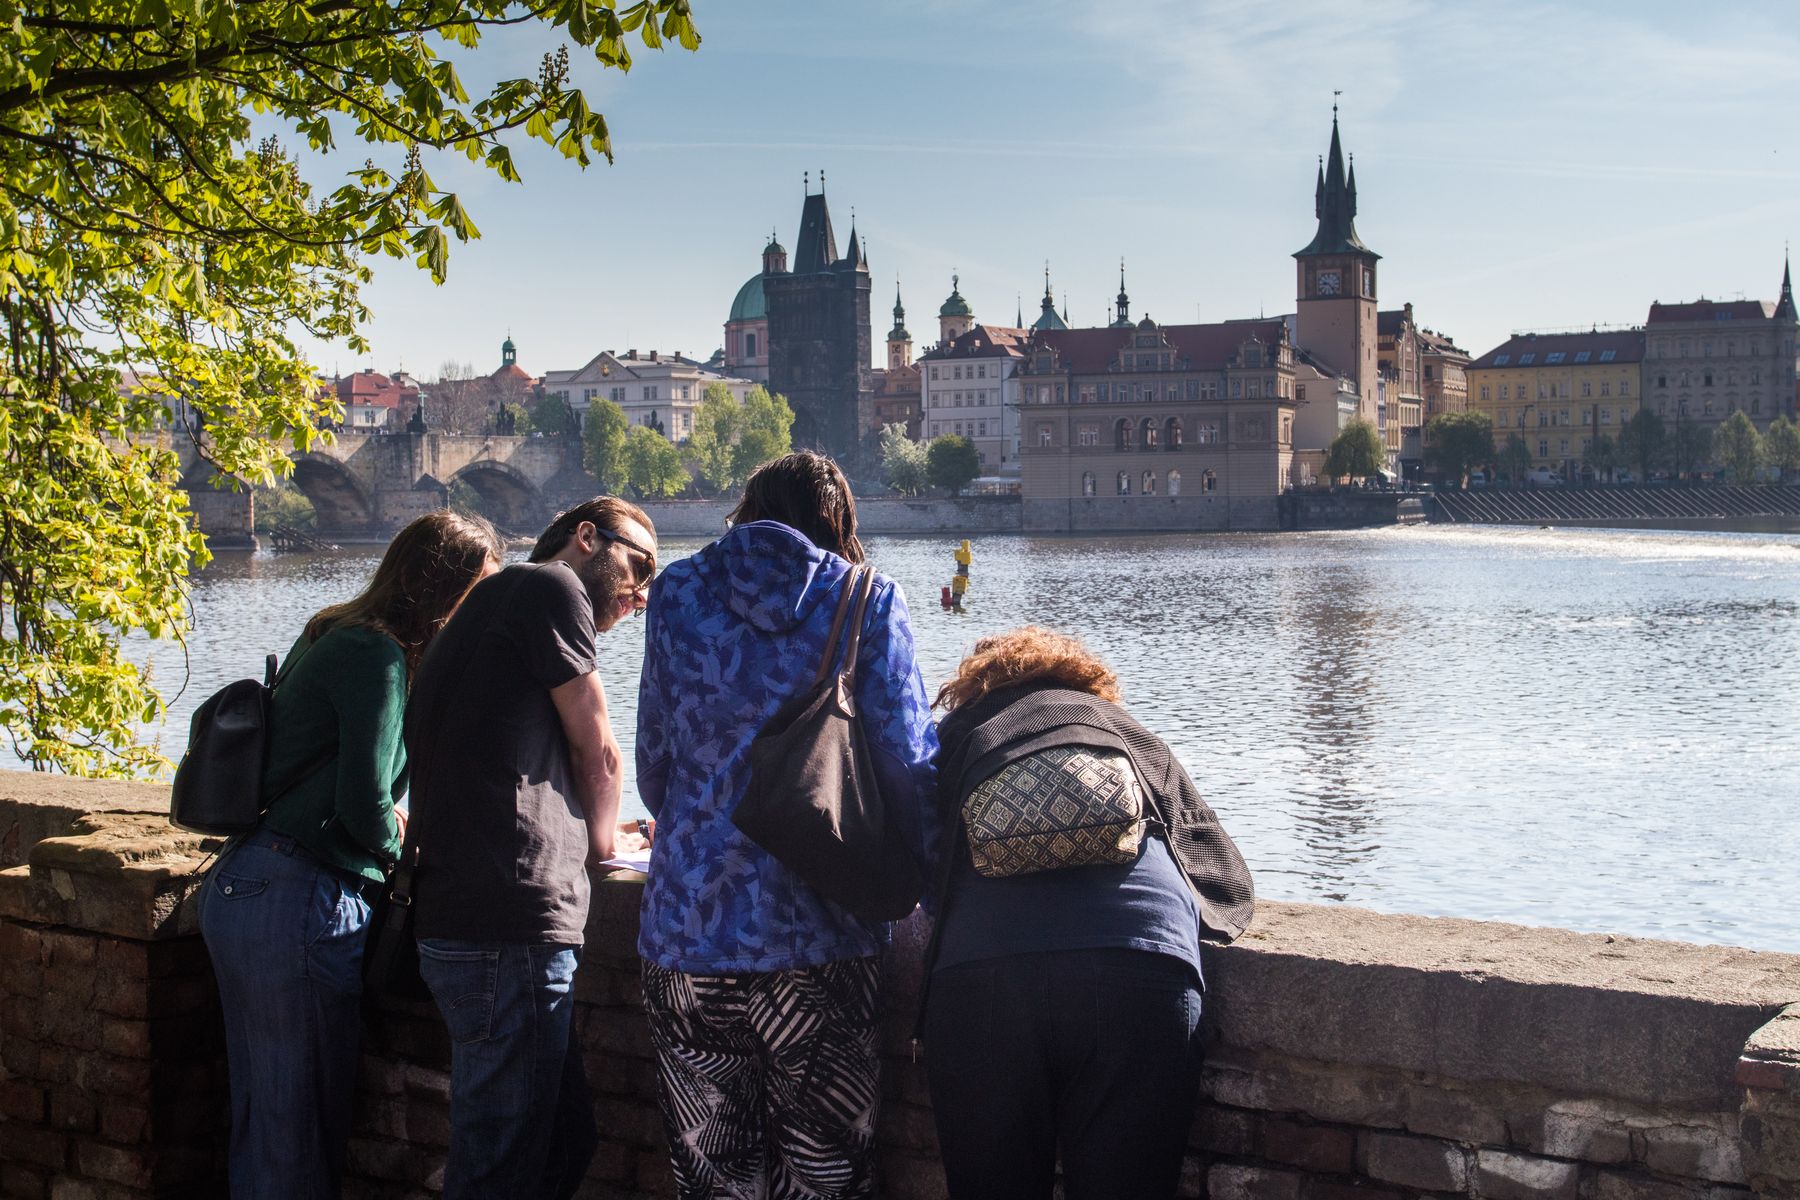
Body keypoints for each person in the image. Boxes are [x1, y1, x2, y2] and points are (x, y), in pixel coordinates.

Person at [635, 451, 938, 1199]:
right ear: (838, 523)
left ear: (746, 510)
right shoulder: (866, 597)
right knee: (826, 1177)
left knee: (712, 1180)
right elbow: (908, 769)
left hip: (686, 937)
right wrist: (936, 886)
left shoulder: (674, 592)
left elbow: (653, 765)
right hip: (819, 939)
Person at [199, 509, 504, 1200]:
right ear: (443, 586)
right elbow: (365, 800)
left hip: (253, 883)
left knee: (268, 1114)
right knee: (299, 1125)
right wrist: (407, 851)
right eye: (481, 587)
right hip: (299, 894)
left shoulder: (333, 629)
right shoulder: (377, 655)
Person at [921, 626, 1255, 1200]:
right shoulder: (1126, 734)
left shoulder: (955, 735)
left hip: (983, 979)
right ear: (1090, 683)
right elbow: (1220, 869)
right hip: (1141, 970)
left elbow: (916, 864)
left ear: (973, 689)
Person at [405, 496, 657, 1200]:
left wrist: (591, 828)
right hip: (505, 926)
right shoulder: (551, 586)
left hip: (473, 915)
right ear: (586, 537)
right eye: (637, 566)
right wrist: (607, 845)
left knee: (563, 1140)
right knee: (499, 1169)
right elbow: (598, 751)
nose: (639, 594)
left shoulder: (491, 603)